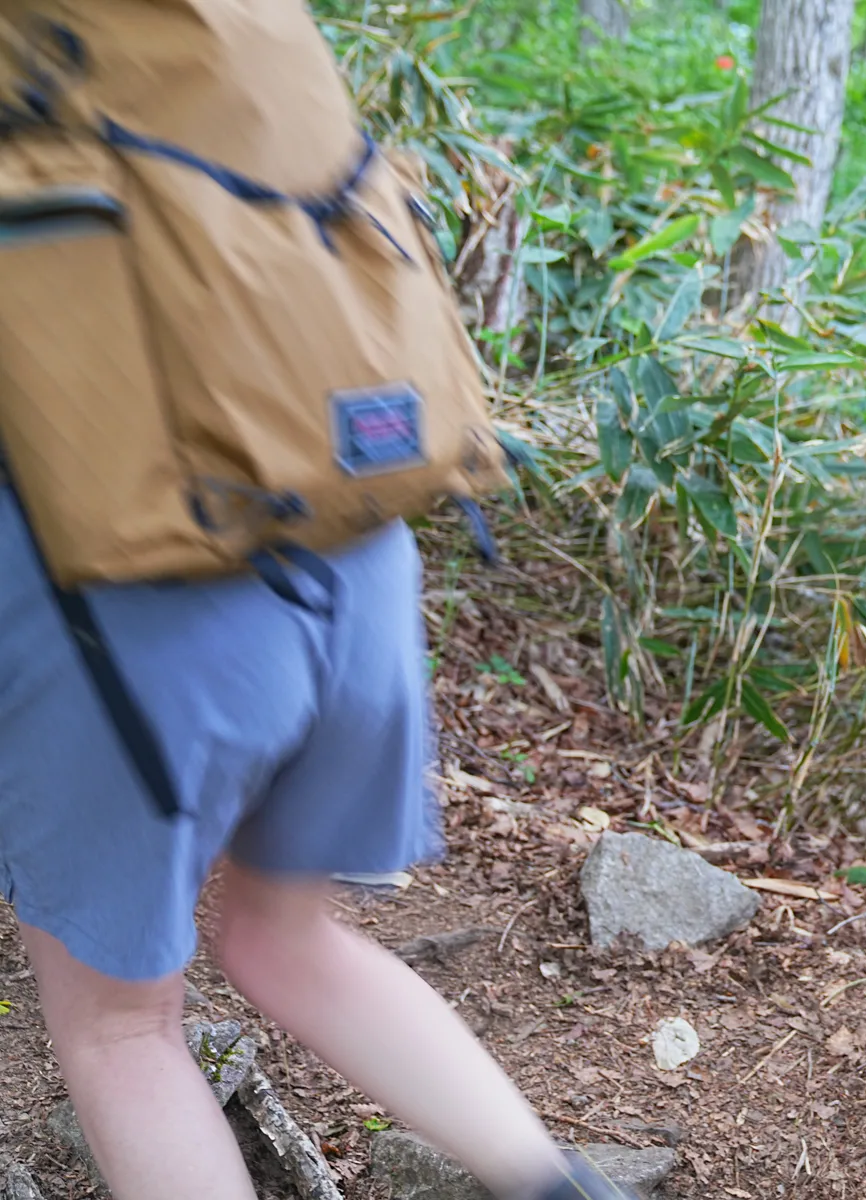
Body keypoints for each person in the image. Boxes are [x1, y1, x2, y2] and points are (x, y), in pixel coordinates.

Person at [0, 6, 626, 1200]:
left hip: (144, 604)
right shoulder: (196, 44)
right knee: (287, 941)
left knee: (124, 1033)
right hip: (358, 547)